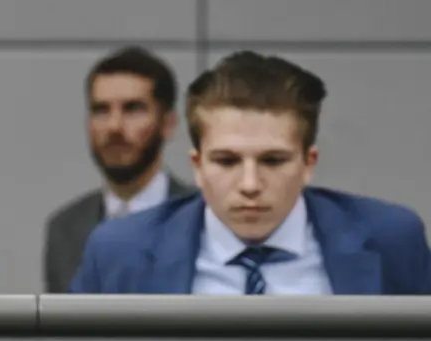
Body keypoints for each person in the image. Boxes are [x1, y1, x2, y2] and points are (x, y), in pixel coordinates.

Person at [73, 52, 430, 295]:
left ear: (309, 163)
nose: (249, 185)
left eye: (273, 161)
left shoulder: (391, 240)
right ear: (197, 166)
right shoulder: (120, 252)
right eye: (226, 162)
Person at [43, 47, 194, 293]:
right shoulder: (64, 228)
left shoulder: (204, 220)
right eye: (101, 110)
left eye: (133, 109)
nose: (114, 126)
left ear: (168, 124)